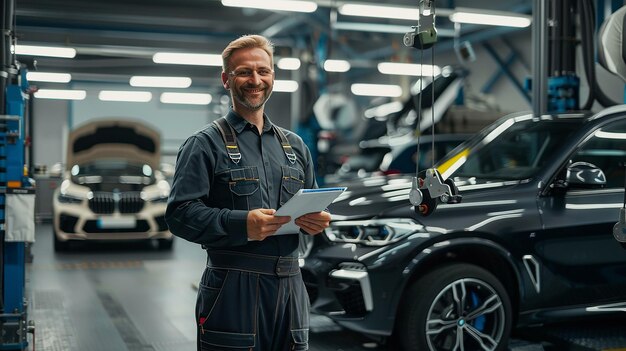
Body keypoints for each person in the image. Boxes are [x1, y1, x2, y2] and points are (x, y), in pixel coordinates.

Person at [165, 34, 331, 351]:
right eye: (244, 72)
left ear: (272, 76)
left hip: (291, 287)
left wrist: (317, 221)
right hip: (232, 287)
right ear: (227, 79)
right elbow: (179, 214)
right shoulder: (204, 144)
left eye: (263, 71)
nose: (255, 80)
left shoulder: (295, 147)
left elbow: (312, 202)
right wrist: (241, 224)